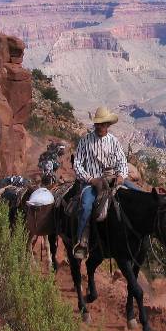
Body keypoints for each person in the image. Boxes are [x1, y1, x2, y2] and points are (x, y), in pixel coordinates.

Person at [72, 106, 128, 259]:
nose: (99, 127)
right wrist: (91, 179)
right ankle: (82, 241)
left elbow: (122, 161)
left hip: (112, 179)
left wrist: (121, 176)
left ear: (108, 125)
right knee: (86, 206)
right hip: (91, 183)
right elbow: (77, 164)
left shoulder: (114, 141)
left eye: (102, 124)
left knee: (136, 194)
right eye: (97, 124)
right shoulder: (85, 141)